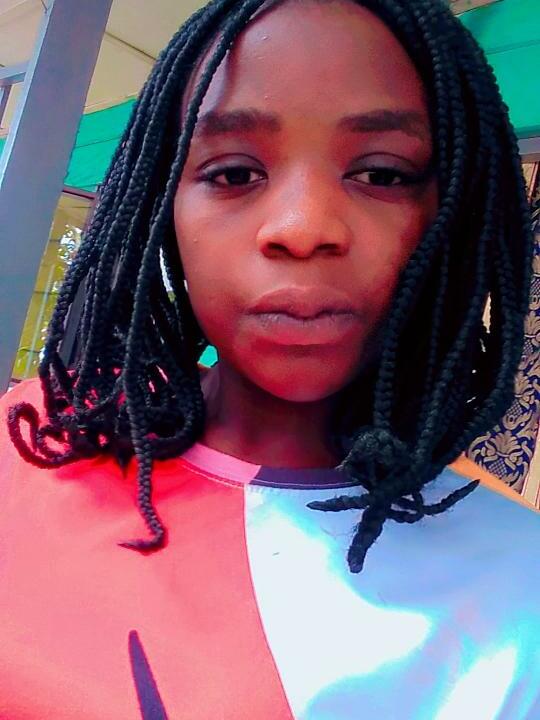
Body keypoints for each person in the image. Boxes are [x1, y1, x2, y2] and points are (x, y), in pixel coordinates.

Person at [1, 0, 539, 717]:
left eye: (382, 174)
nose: (302, 228)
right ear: (161, 206)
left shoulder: (519, 598)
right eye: (233, 173)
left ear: (457, 214)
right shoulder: (29, 438)